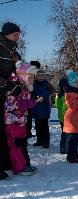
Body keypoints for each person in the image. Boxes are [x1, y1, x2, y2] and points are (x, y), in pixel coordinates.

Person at [4, 63, 41, 176]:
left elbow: (26, 103)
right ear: (22, 76)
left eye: (32, 77)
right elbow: (9, 105)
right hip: (12, 122)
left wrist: (33, 102)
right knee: (15, 145)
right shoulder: (15, 88)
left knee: (22, 144)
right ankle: (19, 167)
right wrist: (23, 105)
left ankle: (25, 164)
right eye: (29, 77)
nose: (32, 80)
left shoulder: (25, 89)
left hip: (20, 122)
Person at [0, 22, 21, 180]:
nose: (18, 37)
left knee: (6, 129)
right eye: (15, 34)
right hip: (2, 88)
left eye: (18, 35)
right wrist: (5, 83)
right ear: (6, 33)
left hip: (7, 94)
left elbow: (17, 70)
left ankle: (6, 162)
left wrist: (20, 83)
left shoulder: (13, 50)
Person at [64, 71, 78, 163]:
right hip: (72, 120)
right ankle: (72, 157)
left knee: (75, 140)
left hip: (75, 119)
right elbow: (72, 106)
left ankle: (73, 156)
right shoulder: (70, 93)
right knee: (73, 140)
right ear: (72, 83)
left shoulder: (76, 92)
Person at [31, 69, 51, 148]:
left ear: (44, 76)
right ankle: (39, 140)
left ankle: (46, 141)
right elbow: (32, 92)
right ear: (36, 77)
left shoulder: (46, 84)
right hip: (36, 109)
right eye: (39, 76)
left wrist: (42, 96)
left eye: (42, 75)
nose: (40, 77)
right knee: (38, 126)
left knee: (44, 126)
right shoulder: (34, 84)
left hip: (44, 108)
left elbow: (47, 93)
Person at [55, 76, 69, 154]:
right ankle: (65, 147)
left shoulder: (58, 96)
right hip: (66, 117)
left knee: (64, 133)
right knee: (67, 133)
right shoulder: (66, 96)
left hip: (61, 118)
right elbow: (65, 107)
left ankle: (63, 147)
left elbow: (57, 105)